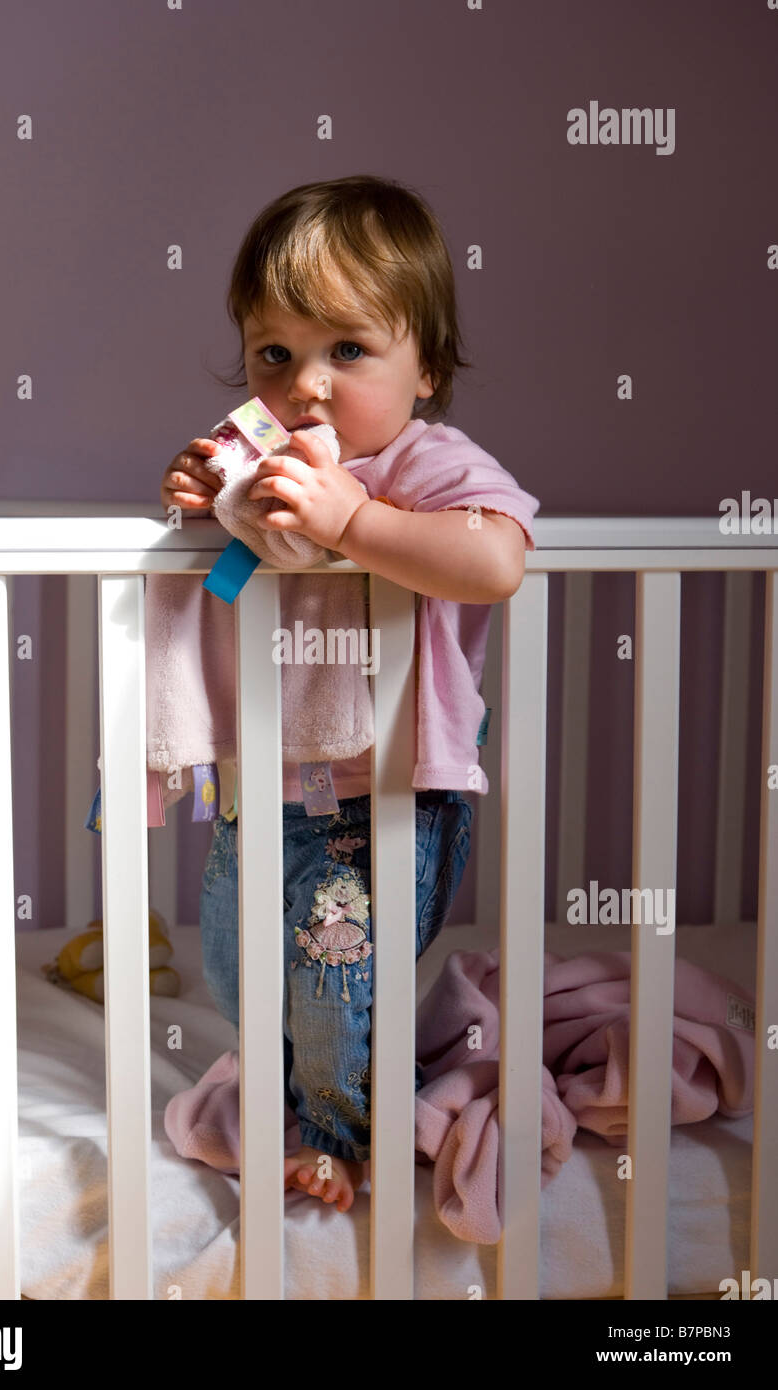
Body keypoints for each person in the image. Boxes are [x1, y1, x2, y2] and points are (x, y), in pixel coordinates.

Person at [158, 174, 539, 1214]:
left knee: (334, 968)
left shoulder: (426, 462)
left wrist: (351, 520)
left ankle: (344, 1133)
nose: (304, 386)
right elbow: (216, 541)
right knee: (241, 959)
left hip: (384, 790)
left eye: (347, 351)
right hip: (265, 777)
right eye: (273, 353)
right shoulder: (265, 460)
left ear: (427, 370)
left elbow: (493, 559)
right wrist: (201, 490)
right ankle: (286, 1092)